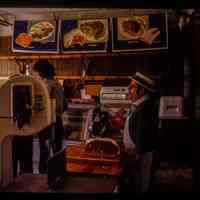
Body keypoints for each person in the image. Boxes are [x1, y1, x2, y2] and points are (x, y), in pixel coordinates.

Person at [120, 72, 160, 194]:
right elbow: (137, 128)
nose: (128, 89)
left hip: (142, 157)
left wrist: (137, 156)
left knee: (141, 187)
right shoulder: (140, 105)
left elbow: (142, 136)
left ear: (142, 91)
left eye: (132, 87)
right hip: (138, 155)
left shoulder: (143, 109)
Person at [32, 59, 64, 173]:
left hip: (47, 123)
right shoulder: (58, 84)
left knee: (44, 153)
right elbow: (64, 106)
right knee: (57, 152)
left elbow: (39, 106)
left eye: (35, 72)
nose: (34, 74)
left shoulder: (45, 84)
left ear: (40, 71)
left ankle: (43, 178)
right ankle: (58, 176)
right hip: (58, 122)